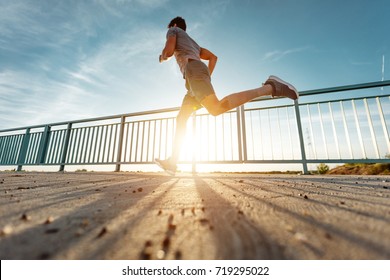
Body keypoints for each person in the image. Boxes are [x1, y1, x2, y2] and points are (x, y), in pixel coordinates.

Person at [155, 16, 298, 175]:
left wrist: (162, 57)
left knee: (215, 108)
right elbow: (213, 57)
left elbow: (168, 51)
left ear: (174, 25)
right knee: (181, 118)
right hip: (193, 79)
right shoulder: (194, 44)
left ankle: (271, 87)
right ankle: (172, 162)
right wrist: (206, 76)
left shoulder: (173, 30)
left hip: (193, 72)